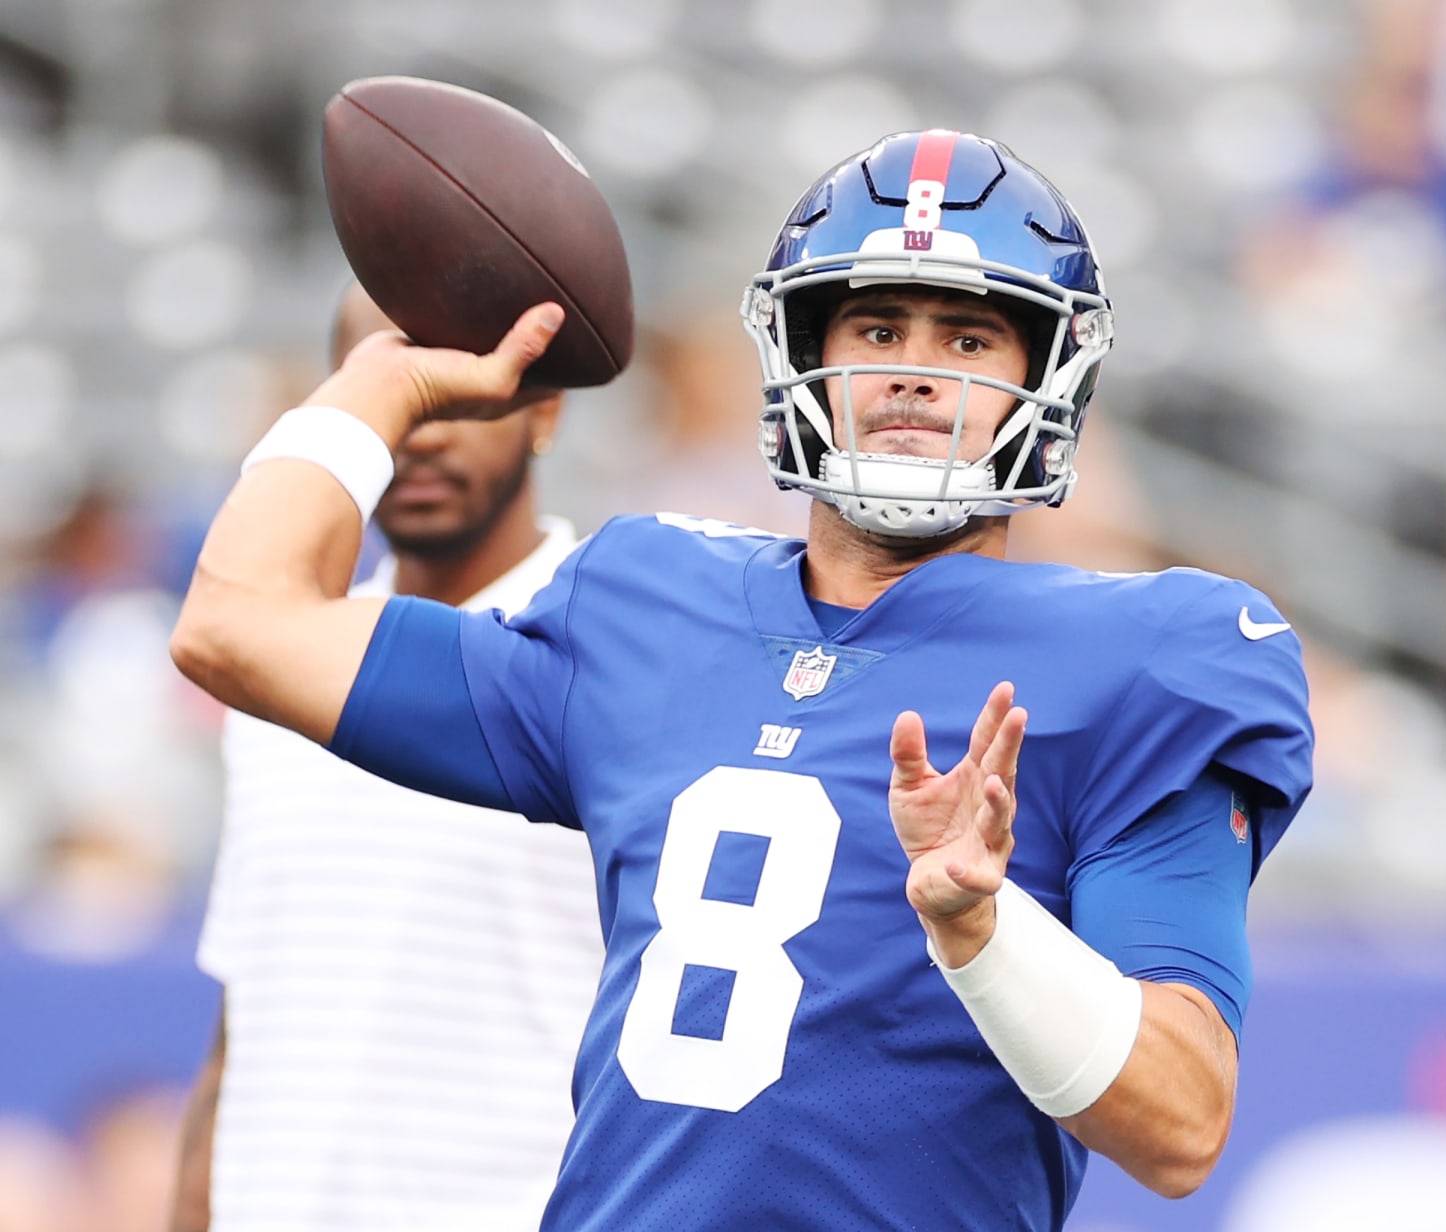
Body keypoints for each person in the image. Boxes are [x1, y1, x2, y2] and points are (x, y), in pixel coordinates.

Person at [171, 132, 1313, 1229]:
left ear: (1047, 376)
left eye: (968, 340)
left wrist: (983, 927)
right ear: (798, 352)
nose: (914, 374)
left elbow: (1181, 1123)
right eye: (876, 326)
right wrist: (382, 385)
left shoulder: (1150, 658)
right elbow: (241, 619)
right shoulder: (643, 600)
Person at [170, 285, 604, 1232]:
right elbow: (245, 1020)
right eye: (395, 394)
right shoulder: (269, 667)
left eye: (457, 394)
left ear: (545, 410)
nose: (422, 433)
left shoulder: (610, 665)